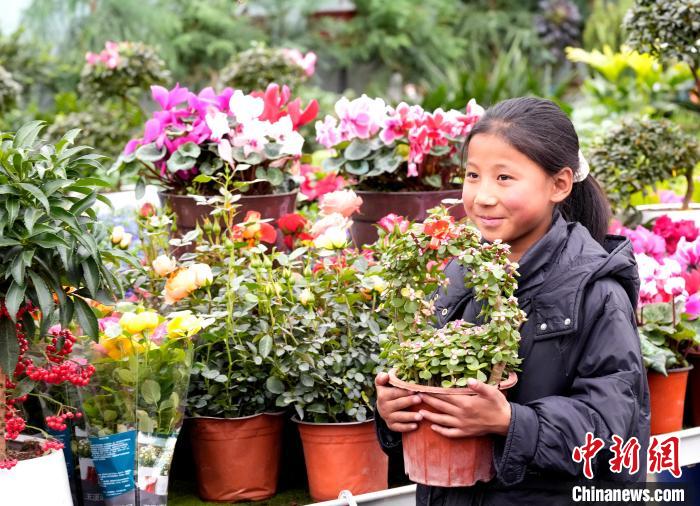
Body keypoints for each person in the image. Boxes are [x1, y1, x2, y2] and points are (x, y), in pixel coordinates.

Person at [374, 97, 650, 506]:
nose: (482, 196)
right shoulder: (457, 273)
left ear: (559, 184)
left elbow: (613, 428)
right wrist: (394, 412)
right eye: (472, 175)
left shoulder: (596, 292)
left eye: (504, 178)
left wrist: (510, 422)